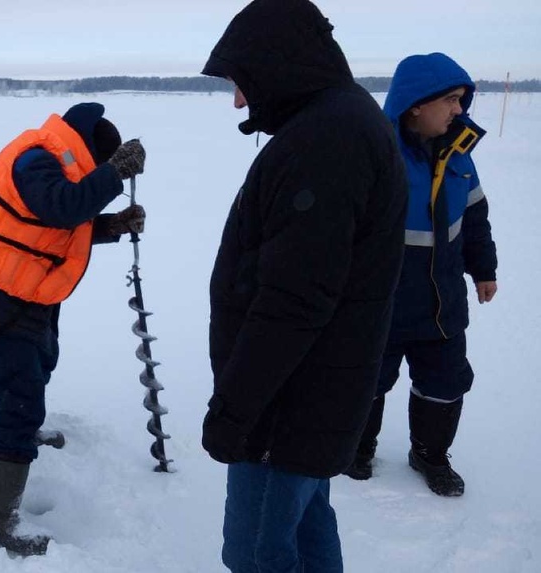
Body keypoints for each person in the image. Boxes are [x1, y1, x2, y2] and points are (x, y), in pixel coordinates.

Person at [198, 0, 407, 570]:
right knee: (305, 530)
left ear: (275, 66)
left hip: (285, 406)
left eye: (241, 83)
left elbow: (293, 302)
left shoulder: (326, 142)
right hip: (311, 396)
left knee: (258, 553)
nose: (239, 101)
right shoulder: (336, 123)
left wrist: (235, 411)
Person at [0, 102, 146, 556]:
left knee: (39, 366)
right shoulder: (37, 159)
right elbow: (60, 208)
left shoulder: (56, 162)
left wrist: (112, 225)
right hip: (2, 298)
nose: (97, 175)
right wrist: (114, 174)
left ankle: (24, 432)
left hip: (28, 292)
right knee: (17, 398)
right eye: (98, 166)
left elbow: (50, 228)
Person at [343, 53, 497, 497]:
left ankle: (429, 454)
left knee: (445, 384)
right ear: (415, 103)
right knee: (366, 381)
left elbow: (475, 218)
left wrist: (483, 268)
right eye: (451, 99)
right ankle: (357, 447)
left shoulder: (461, 156)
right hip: (381, 303)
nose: (459, 110)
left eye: (462, 100)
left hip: (441, 303)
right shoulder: (377, 155)